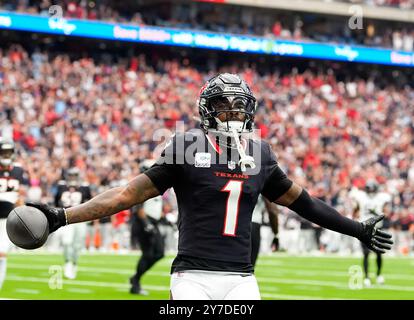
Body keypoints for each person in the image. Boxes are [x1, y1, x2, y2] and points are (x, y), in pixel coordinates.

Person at [27, 73, 393, 300]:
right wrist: (63, 216)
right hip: (192, 277)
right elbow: (126, 194)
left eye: (239, 106)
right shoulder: (185, 146)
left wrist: (356, 229)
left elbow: (303, 203)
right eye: (223, 105)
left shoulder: (261, 153)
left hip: (241, 278)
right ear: (206, 109)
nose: (233, 112)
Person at [130, 159, 165, 295]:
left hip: (152, 222)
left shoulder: (155, 185)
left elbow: (155, 206)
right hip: (144, 223)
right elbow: (139, 208)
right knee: (148, 253)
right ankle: (136, 283)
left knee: (159, 253)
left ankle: (135, 278)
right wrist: (147, 224)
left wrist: (164, 219)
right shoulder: (141, 186)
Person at [350, 180, 392, 287]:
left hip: (378, 228)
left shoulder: (382, 198)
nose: (371, 191)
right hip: (364, 229)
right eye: (370, 189)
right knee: (366, 254)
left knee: (379, 253)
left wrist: (377, 213)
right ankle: (367, 277)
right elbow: (355, 209)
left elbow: (387, 212)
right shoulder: (360, 196)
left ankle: (378, 275)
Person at [54, 167, 92, 279]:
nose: (72, 178)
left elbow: (89, 203)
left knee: (77, 245)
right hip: (66, 218)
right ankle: (67, 263)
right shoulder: (61, 186)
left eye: (75, 176)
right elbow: (56, 202)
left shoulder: (84, 187)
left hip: (80, 219)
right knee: (66, 242)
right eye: (71, 176)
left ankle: (74, 263)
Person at [0, 139, 27, 290]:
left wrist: (21, 214)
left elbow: (20, 196)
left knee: (2, 255)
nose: (5, 155)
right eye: (3, 152)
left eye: (8, 152)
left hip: (6, 220)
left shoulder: (17, 170)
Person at [251, 195, 279, 267]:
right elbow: (272, 211)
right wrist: (276, 235)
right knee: (248, 268)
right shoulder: (261, 184)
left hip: (231, 227)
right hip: (253, 224)